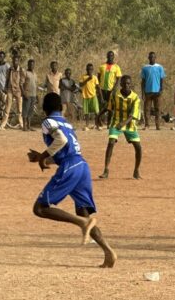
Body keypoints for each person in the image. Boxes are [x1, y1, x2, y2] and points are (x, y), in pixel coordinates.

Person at [27, 92, 116, 268]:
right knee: (84, 212)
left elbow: (61, 139)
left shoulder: (48, 122)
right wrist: (42, 158)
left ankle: (82, 223)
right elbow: (66, 149)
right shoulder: (66, 122)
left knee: (40, 208)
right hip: (81, 166)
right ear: (61, 108)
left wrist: (44, 155)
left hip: (70, 166)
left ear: (45, 109)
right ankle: (108, 252)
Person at [99, 75, 142, 180]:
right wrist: (99, 115)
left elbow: (132, 115)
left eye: (128, 83)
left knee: (138, 147)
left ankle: (136, 170)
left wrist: (123, 123)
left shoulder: (135, 97)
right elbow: (109, 108)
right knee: (111, 142)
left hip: (129, 123)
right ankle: (106, 169)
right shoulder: (114, 95)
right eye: (124, 83)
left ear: (131, 84)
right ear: (121, 84)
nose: (126, 85)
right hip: (116, 121)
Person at [96, 51, 122, 129]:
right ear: (107, 56)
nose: (110, 57)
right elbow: (98, 78)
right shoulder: (102, 66)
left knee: (110, 107)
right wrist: (98, 89)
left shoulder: (116, 67)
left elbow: (118, 79)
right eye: (109, 55)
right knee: (101, 106)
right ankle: (99, 123)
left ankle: (108, 123)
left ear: (113, 57)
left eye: (112, 56)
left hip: (111, 90)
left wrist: (114, 89)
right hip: (102, 89)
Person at [140, 51, 165, 131]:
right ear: (148, 58)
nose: (152, 58)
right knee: (147, 109)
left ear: (155, 58)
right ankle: (147, 125)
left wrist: (161, 89)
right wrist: (143, 93)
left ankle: (158, 125)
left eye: (153, 57)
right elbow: (143, 81)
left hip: (157, 92)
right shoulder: (144, 68)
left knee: (158, 108)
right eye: (150, 57)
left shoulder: (160, 67)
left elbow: (161, 79)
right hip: (148, 92)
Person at [0, 54, 24, 130]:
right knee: (7, 108)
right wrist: (5, 88)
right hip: (10, 90)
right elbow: (7, 80)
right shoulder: (9, 70)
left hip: (18, 90)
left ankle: (21, 125)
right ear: (12, 61)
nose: (15, 62)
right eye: (14, 60)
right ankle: (2, 125)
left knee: (19, 109)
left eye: (16, 61)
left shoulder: (21, 70)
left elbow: (22, 81)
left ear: (18, 61)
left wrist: (23, 91)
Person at [80, 63, 100, 130]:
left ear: (93, 70)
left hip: (93, 96)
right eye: (88, 69)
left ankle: (97, 125)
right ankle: (87, 125)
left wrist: (101, 97)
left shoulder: (95, 77)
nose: (90, 71)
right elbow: (81, 84)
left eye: (91, 69)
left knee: (96, 111)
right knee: (86, 112)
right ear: (86, 69)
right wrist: (88, 79)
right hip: (85, 96)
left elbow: (98, 87)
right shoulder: (83, 77)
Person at [21, 60, 38, 132]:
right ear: (28, 65)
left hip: (33, 94)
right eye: (30, 65)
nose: (32, 66)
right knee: (25, 110)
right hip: (27, 94)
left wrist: (37, 95)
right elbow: (21, 83)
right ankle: (24, 126)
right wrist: (23, 93)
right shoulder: (25, 73)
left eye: (33, 65)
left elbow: (36, 85)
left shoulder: (35, 74)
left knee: (31, 111)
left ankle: (29, 126)